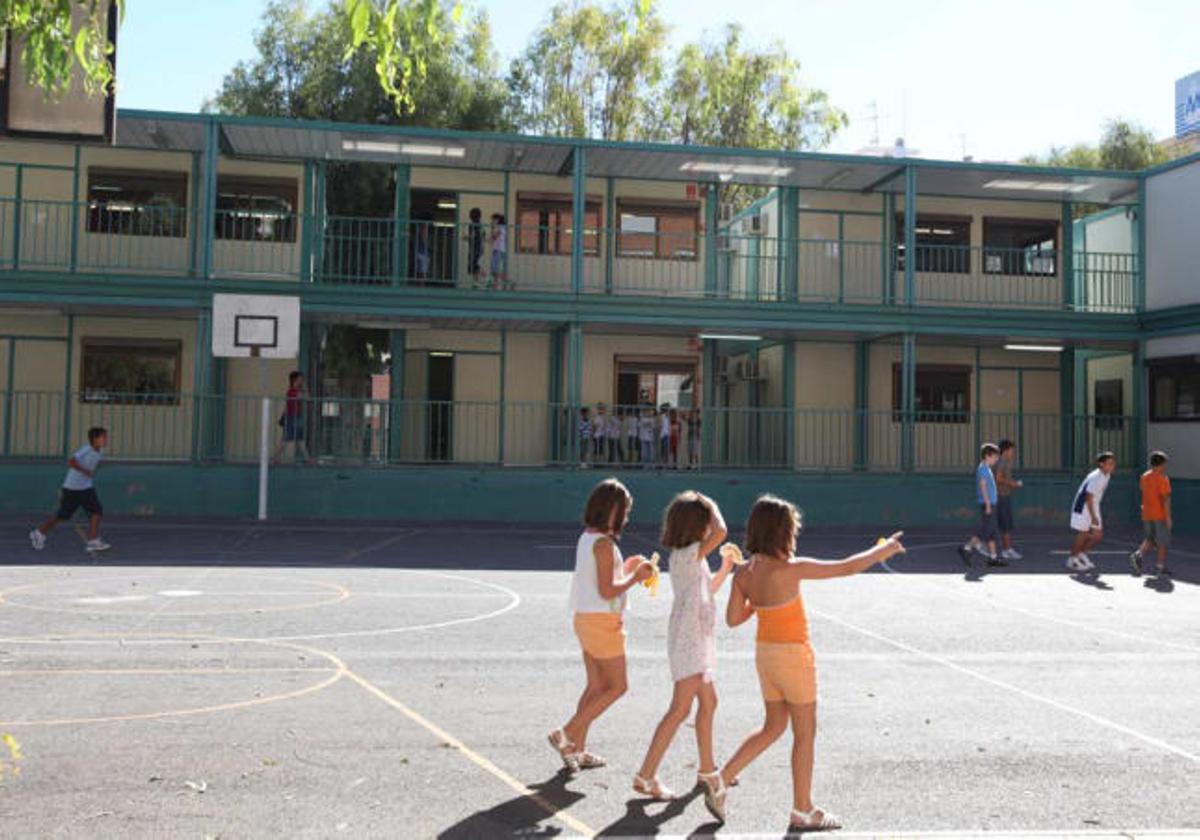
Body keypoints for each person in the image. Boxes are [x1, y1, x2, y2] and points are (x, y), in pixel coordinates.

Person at [716, 495, 905, 831]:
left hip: (766, 655)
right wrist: (884, 550)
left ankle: (721, 778)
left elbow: (732, 618)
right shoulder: (791, 568)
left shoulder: (745, 573)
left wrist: (755, 603)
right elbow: (846, 566)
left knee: (773, 725)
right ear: (782, 533)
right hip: (793, 657)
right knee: (804, 734)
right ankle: (802, 809)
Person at [633, 492, 737, 820]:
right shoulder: (689, 553)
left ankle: (707, 770)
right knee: (680, 709)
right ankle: (646, 775)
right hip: (690, 640)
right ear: (698, 525)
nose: (711, 527)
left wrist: (726, 567)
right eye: (705, 521)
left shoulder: (692, 557)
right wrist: (711, 503)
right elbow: (722, 531)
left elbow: (709, 589)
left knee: (708, 703)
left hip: (696, 639)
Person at [548, 478, 654, 773]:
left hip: (584, 618)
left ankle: (577, 749)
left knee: (595, 685)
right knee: (617, 686)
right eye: (626, 511)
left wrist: (627, 567)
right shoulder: (605, 544)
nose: (628, 517)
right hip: (602, 621)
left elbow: (601, 580)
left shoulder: (589, 537)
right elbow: (608, 590)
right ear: (613, 511)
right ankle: (566, 734)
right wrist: (637, 577)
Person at [29, 426, 112, 553]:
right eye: (103, 437)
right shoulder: (86, 449)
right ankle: (39, 532)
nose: (106, 439)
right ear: (95, 439)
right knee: (63, 515)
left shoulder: (100, 451)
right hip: (72, 488)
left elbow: (96, 463)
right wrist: (84, 470)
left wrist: (93, 470)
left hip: (86, 487)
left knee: (97, 511)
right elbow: (72, 462)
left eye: (106, 437)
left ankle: (93, 541)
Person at [1067, 451, 1117, 572]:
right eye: (1109, 463)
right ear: (1101, 464)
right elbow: (1088, 497)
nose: (1112, 465)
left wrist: (1095, 512)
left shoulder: (1107, 475)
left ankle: (1081, 554)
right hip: (1083, 506)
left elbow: (1096, 496)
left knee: (1097, 535)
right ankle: (1072, 559)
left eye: (1113, 463)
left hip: (1093, 505)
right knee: (1083, 533)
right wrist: (1093, 516)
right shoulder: (1096, 477)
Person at [958, 443, 1004, 567]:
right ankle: (966, 548)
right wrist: (988, 504)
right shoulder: (983, 469)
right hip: (988, 504)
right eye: (994, 457)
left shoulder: (986, 468)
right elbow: (983, 487)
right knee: (987, 530)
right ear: (987, 456)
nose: (996, 459)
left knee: (992, 532)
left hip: (991, 503)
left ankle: (993, 558)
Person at [1131, 450, 1172, 577]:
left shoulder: (1145, 476)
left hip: (1147, 512)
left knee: (1150, 538)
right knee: (1162, 541)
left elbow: (1144, 492)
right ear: (1161, 464)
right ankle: (1159, 566)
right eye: (1165, 463)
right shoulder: (1163, 478)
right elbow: (1164, 499)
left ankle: (1138, 554)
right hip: (1159, 514)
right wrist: (1168, 517)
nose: (1166, 466)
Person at [993, 438, 1024, 561]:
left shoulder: (1001, 461)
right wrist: (1013, 484)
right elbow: (998, 479)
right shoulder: (1002, 462)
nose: (1013, 453)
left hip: (1001, 496)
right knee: (1006, 525)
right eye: (1012, 450)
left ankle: (1004, 549)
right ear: (1005, 450)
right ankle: (1007, 550)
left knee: (1001, 525)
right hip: (1002, 496)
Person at [273, 371, 312, 464]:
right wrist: (305, 388)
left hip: (296, 417)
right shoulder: (292, 391)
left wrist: (304, 389)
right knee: (286, 439)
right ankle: (275, 459)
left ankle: (308, 459)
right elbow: (306, 398)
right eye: (300, 379)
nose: (302, 381)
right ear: (295, 380)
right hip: (291, 418)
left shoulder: (295, 391)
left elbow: (307, 398)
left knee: (300, 439)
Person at [489, 212, 508, 290]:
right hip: (498, 249)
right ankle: (505, 282)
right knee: (494, 269)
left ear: (497, 220)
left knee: (494, 269)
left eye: (493, 220)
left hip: (498, 250)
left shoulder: (500, 228)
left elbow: (494, 237)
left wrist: (492, 228)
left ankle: (497, 285)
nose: (492, 221)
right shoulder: (501, 228)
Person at [466, 207, 484, 286]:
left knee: (473, 265)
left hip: (475, 247)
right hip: (478, 247)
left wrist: (466, 237)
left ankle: (485, 278)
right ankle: (475, 282)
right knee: (475, 265)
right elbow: (483, 234)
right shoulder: (480, 224)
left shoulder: (473, 224)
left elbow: (473, 235)